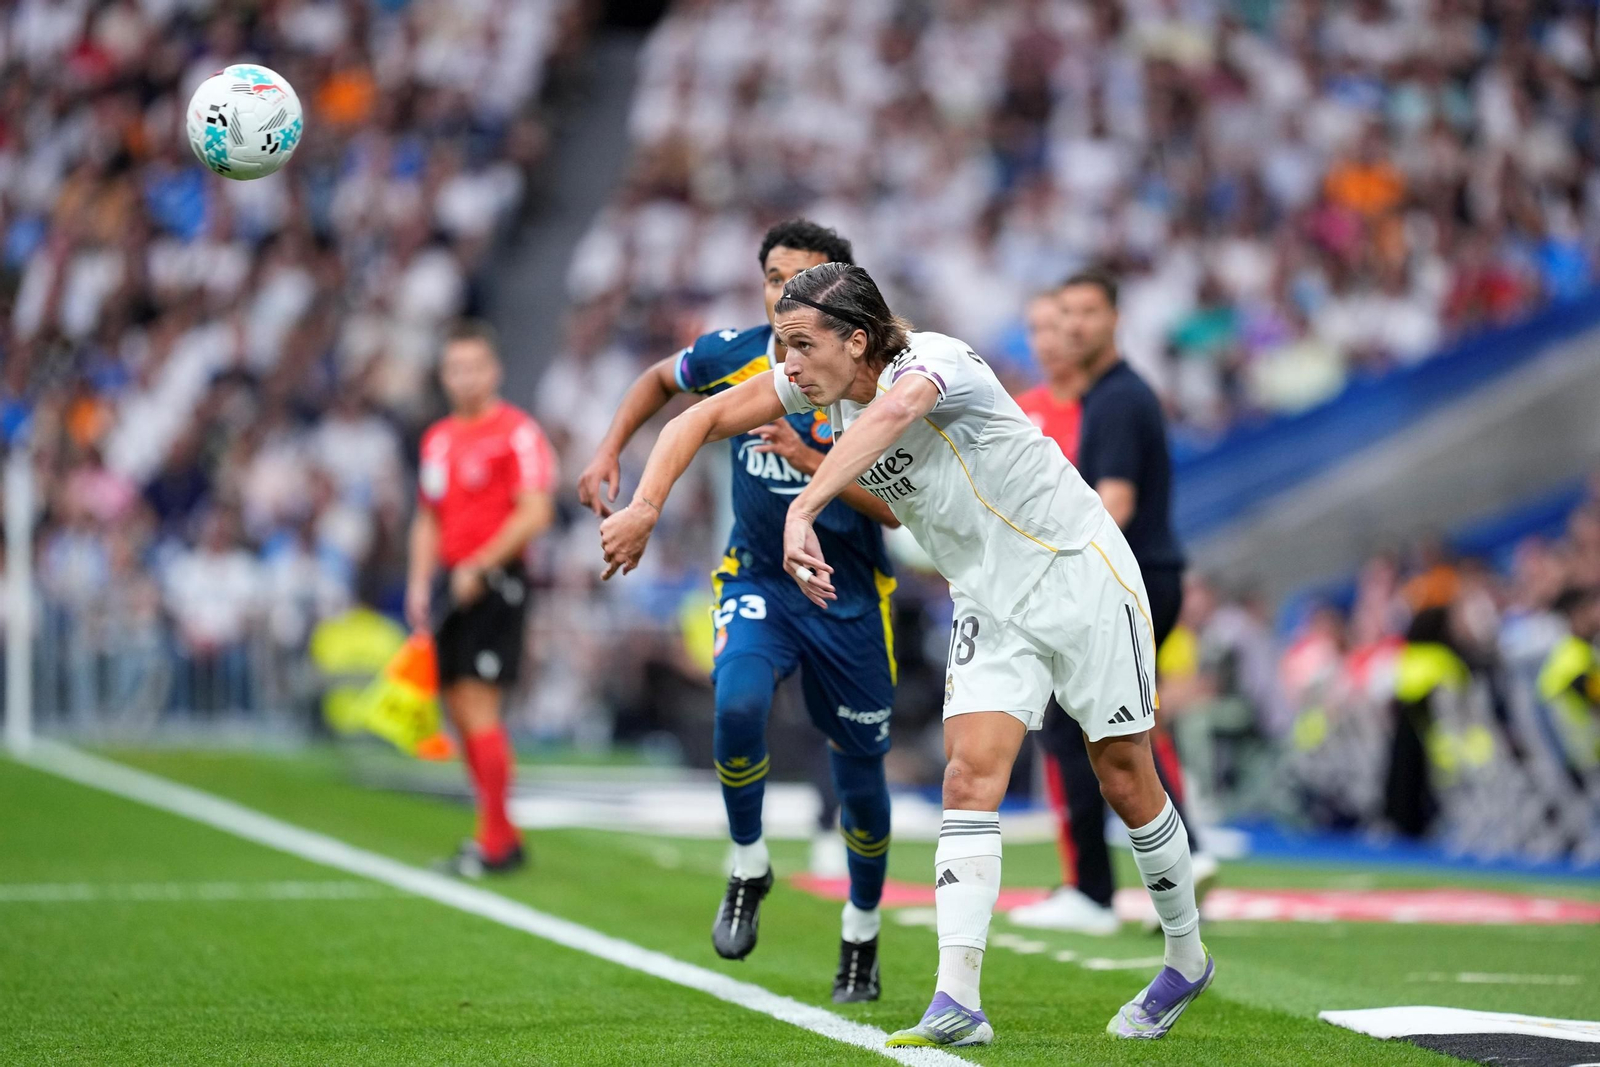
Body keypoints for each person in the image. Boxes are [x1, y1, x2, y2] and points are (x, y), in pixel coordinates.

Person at [599, 263, 1213, 1048]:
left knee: (1124, 773)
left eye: (799, 344)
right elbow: (696, 420)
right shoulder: (815, 384)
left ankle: (1186, 954)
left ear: (856, 339)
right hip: (990, 598)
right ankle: (957, 998)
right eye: (782, 347)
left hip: (1081, 573)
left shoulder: (935, 362)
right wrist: (646, 505)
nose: (785, 364)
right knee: (968, 772)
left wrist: (807, 505)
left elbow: (896, 412)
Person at [577, 220, 900, 1002]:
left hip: (852, 597)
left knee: (859, 779)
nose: (784, 293)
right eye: (774, 278)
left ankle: (861, 931)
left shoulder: (880, 379)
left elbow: (897, 512)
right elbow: (664, 387)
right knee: (738, 703)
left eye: (805, 279)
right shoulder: (738, 353)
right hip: (759, 577)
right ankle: (749, 862)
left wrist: (810, 459)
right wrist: (612, 451)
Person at [1012, 270, 1217, 935]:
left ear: (1114, 317)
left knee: (1080, 726)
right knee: (1107, 726)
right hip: (1140, 576)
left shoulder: (1118, 399)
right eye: (1061, 313)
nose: (1071, 327)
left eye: (1084, 312)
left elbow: (1115, 504)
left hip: (1133, 578)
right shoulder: (1110, 395)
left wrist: (1047, 562)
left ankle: (1097, 892)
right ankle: (1177, 856)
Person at [405, 321, 556, 877]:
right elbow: (427, 515)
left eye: (474, 367)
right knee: (457, 707)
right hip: (453, 579)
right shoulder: (438, 439)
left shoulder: (517, 432)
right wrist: (421, 582)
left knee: (478, 704)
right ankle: (502, 836)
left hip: (497, 582)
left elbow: (535, 511)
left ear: (494, 371)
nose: (464, 378)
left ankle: (494, 844)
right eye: (454, 368)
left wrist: (482, 563)